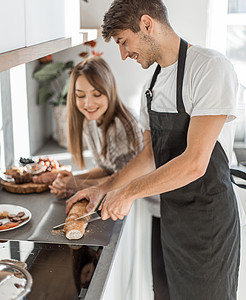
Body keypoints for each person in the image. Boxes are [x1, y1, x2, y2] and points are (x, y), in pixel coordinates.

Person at [66, 1, 240, 300]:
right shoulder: (151, 85)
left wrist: (129, 192)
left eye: (124, 42)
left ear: (147, 24)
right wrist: (104, 188)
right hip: (169, 220)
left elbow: (195, 163)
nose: (123, 55)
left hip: (208, 223)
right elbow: (149, 156)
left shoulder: (209, 68)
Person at [33, 55, 142, 199]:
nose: (88, 104)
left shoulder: (121, 124)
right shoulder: (90, 122)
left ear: (110, 91)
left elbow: (122, 180)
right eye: (80, 95)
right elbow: (106, 169)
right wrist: (72, 180)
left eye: (96, 94)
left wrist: (75, 184)